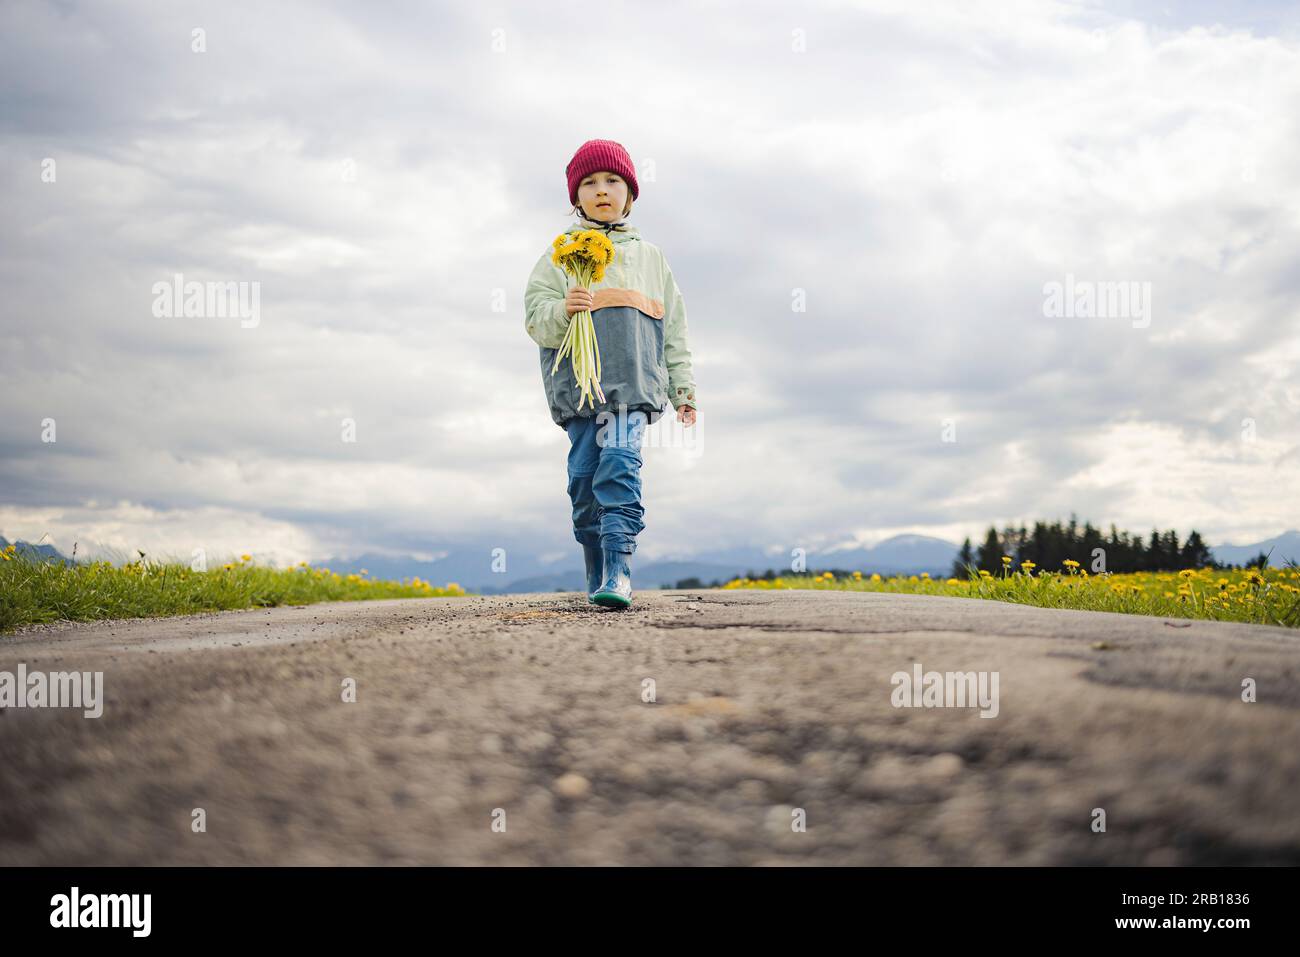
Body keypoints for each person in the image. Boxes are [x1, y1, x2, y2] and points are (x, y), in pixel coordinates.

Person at [523, 139, 698, 609]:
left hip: (634, 386)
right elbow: (534, 316)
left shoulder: (651, 258)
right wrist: (563, 308)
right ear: (574, 198)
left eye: (613, 181)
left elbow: (673, 327)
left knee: (620, 465)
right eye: (590, 183)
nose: (602, 190)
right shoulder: (560, 253)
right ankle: (595, 567)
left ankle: (620, 570)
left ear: (631, 194)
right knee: (584, 481)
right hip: (578, 390)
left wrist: (683, 388)